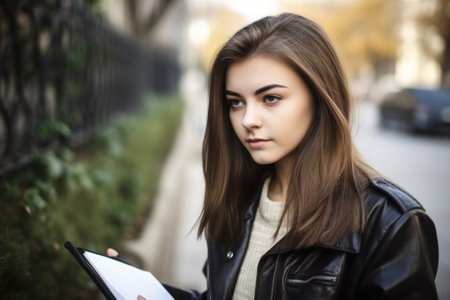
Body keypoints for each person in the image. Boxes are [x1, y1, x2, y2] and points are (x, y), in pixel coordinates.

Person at [109, 12, 439, 299]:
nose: (247, 119)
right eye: (235, 102)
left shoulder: (390, 223)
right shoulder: (237, 196)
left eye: (270, 98)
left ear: (320, 97)